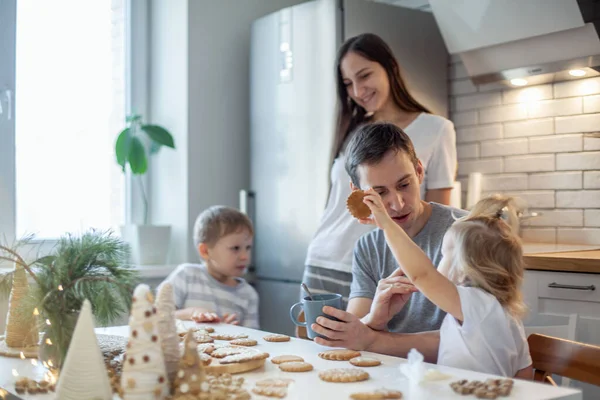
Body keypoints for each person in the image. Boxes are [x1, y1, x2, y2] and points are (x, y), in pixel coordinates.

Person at [303, 33, 457, 307]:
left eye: (365, 76)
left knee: (368, 344)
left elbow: (437, 216)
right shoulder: (351, 130)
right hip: (324, 256)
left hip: (382, 264)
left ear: (390, 68)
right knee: (313, 346)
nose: (358, 91)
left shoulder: (436, 129)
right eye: (348, 83)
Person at [309, 122, 465, 362]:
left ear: (419, 171)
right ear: (358, 194)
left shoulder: (465, 232)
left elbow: (472, 337)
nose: (398, 203)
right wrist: (375, 319)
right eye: (380, 193)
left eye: (404, 184)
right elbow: (357, 334)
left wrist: (376, 340)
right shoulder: (368, 247)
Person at [352, 191, 532, 378]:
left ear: (463, 270)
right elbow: (524, 372)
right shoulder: (507, 314)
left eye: (444, 253)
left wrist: (387, 225)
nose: (438, 259)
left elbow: (421, 275)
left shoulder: (475, 304)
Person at [157, 206, 259, 329]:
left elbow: (253, 339)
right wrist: (191, 313)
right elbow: (157, 317)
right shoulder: (185, 276)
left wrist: (230, 330)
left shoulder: (248, 295)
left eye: (248, 248)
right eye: (235, 248)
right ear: (205, 251)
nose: (245, 256)